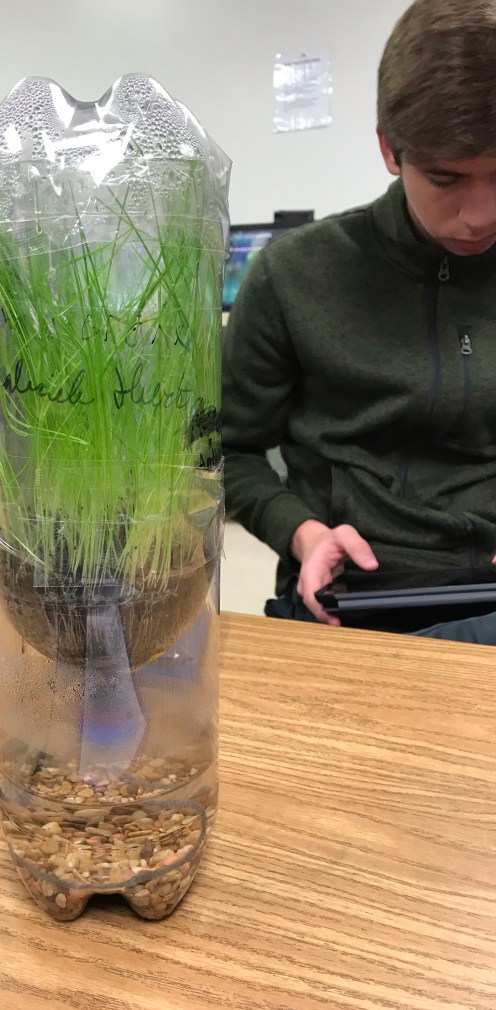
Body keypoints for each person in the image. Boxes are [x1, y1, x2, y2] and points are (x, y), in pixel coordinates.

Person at [222, 0, 496, 644]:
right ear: (389, 149)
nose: (480, 214)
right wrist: (302, 531)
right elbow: (224, 451)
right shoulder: (293, 274)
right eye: (446, 178)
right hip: (349, 605)